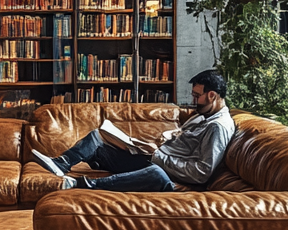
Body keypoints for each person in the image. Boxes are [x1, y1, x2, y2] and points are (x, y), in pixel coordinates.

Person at [32, 69, 236, 192]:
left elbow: (201, 173)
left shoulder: (218, 126)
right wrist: (160, 142)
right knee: (97, 137)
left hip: (167, 172)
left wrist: (158, 156)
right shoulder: (203, 116)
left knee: (156, 174)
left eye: (197, 96)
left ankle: (81, 184)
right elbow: (183, 141)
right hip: (155, 157)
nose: (193, 100)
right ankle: (61, 163)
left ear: (212, 96)